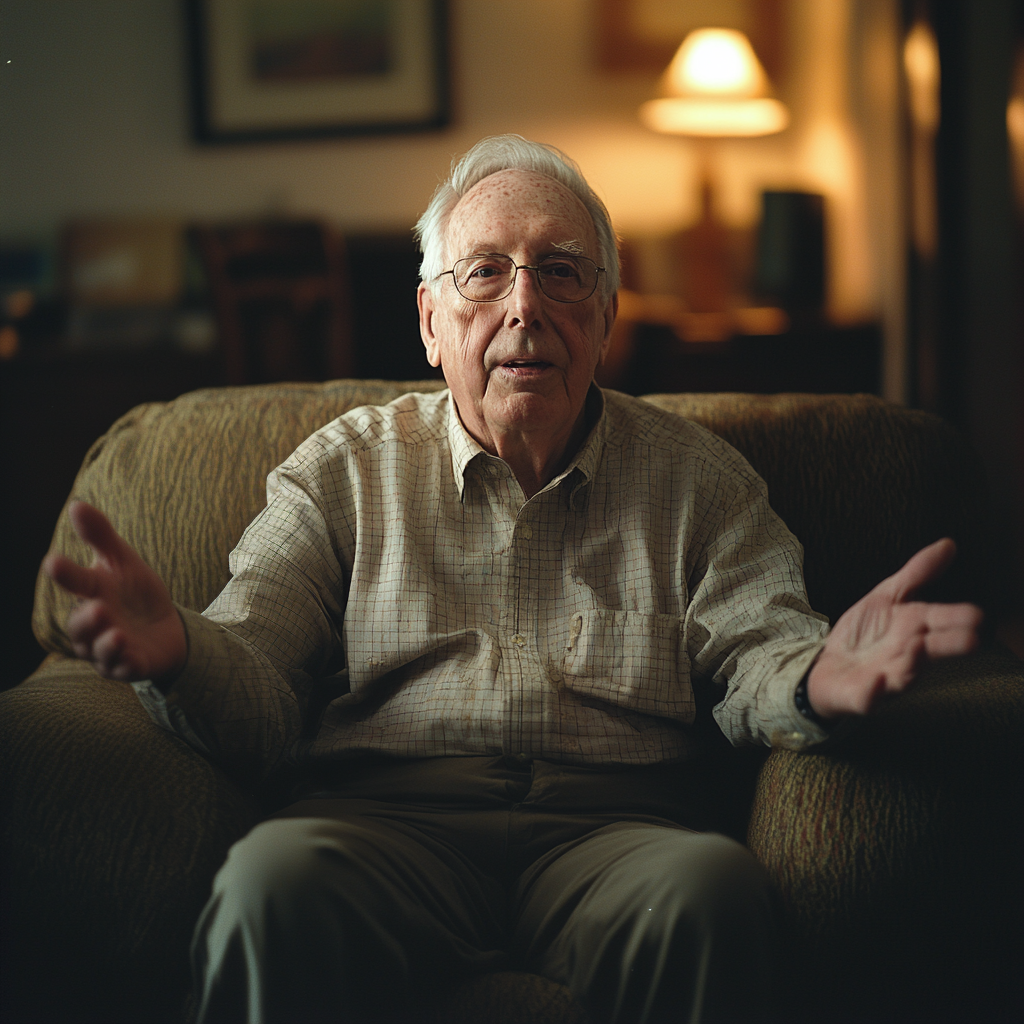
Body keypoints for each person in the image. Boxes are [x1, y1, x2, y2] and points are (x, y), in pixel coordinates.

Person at [45, 135, 982, 1024]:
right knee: (269, 888)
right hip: (382, 825)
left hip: (617, 833)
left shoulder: (700, 479)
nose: (524, 307)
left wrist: (817, 679)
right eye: (486, 271)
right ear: (430, 320)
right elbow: (255, 673)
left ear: (606, 315)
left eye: (562, 272)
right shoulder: (343, 472)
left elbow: (761, 646)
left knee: (712, 895)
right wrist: (179, 655)